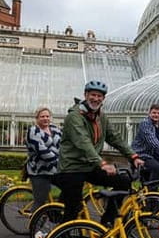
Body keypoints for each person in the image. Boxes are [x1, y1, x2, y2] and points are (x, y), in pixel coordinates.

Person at [53, 80, 144, 227]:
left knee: (123, 182)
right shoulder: (74, 117)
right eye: (93, 95)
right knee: (73, 209)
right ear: (85, 95)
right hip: (72, 168)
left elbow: (114, 137)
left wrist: (133, 156)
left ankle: (107, 221)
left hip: (90, 166)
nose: (96, 98)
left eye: (99, 96)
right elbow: (83, 143)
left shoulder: (101, 116)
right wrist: (102, 164)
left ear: (103, 98)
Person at [25, 106, 62, 212]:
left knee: (70, 188)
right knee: (40, 200)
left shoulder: (55, 129)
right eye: (42, 116)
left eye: (47, 116)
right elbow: (42, 152)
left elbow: (64, 145)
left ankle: (56, 213)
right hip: (39, 171)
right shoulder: (33, 131)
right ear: (37, 118)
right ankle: (35, 221)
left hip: (55, 169)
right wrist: (60, 162)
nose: (45, 118)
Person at [131, 103, 159, 184]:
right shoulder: (145, 124)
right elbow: (152, 140)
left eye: (158, 113)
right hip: (143, 154)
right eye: (154, 113)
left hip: (157, 154)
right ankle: (152, 189)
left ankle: (152, 187)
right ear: (149, 113)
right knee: (157, 168)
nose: (156, 115)